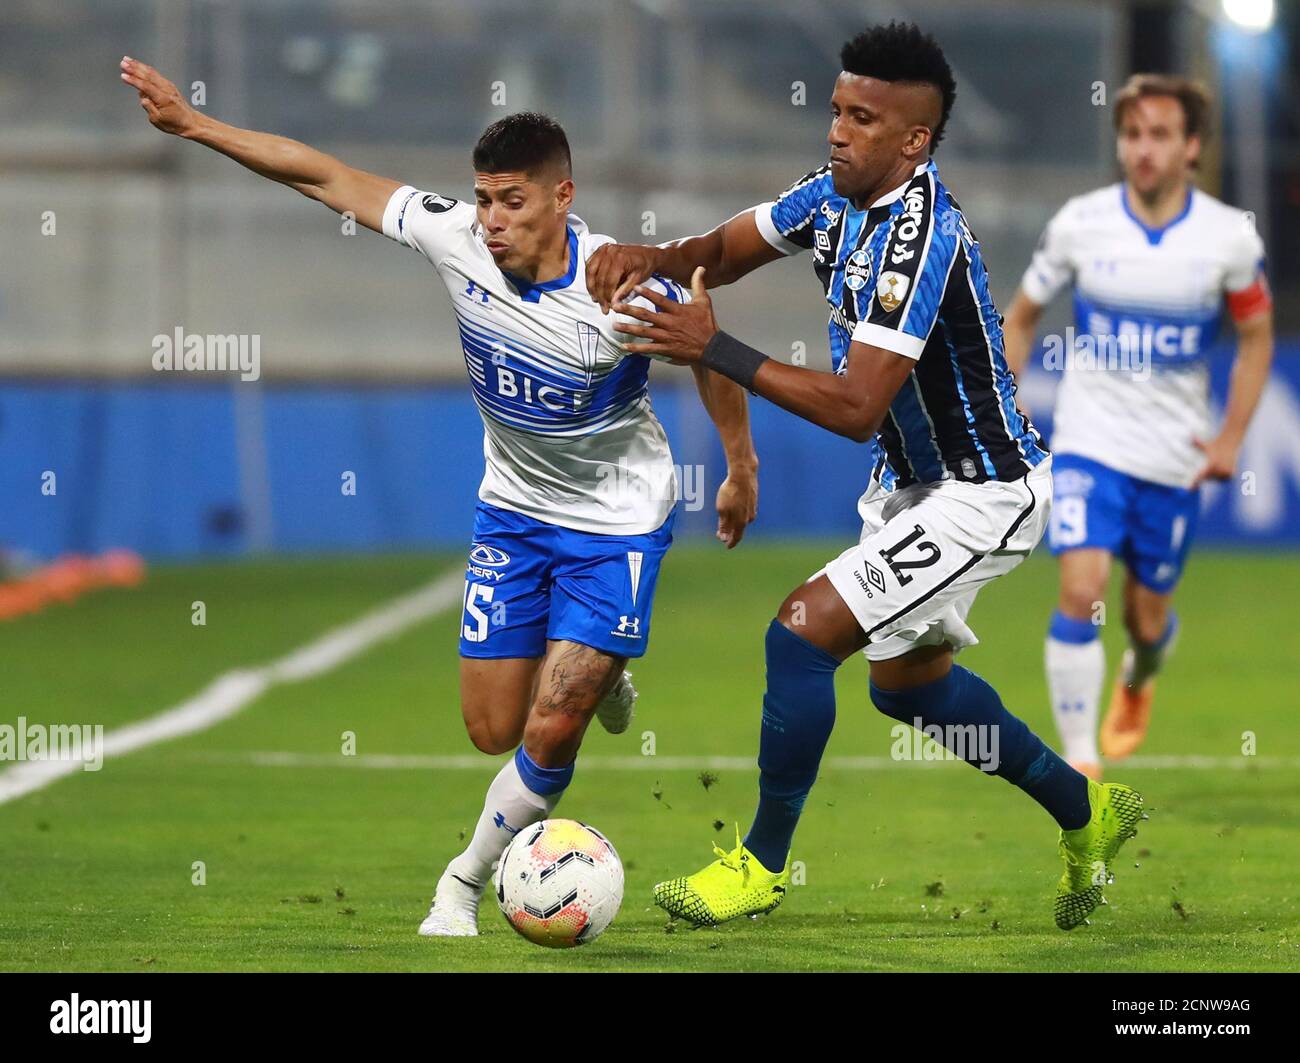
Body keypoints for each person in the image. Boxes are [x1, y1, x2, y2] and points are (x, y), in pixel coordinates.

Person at [119, 56, 760, 937]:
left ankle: (459, 883)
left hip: (616, 520)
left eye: (513, 202)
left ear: (563, 195)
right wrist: (198, 126)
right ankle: (609, 674)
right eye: (484, 198)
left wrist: (739, 466)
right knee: (491, 727)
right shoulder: (453, 235)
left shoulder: (620, 287)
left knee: (553, 720)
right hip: (513, 510)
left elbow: (711, 353)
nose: (491, 221)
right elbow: (325, 175)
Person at [587, 22, 1144, 931]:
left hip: (983, 492)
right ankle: (1088, 814)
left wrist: (713, 346)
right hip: (909, 487)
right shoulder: (834, 198)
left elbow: (855, 405)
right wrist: (651, 258)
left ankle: (759, 867)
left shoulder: (922, 238)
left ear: (913, 141)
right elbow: (720, 252)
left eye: (862, 118)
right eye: (838, 110)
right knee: (908, 688)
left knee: (801, 633)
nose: (837, 130)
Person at [1002, 75, 1274, 778]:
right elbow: (1023, 315)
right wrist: (1008, 397)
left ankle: (1142, 671)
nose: (1143, 150)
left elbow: (1255, 338)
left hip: (1173, 457)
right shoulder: (1080, 224)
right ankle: (1082, 765)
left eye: (1159, 135)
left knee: (1144, 620)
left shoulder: (1228, 239)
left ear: (1191, 148)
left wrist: (1229, 440)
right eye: (1131, 135)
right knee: (1079, 590)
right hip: (1092, 443)